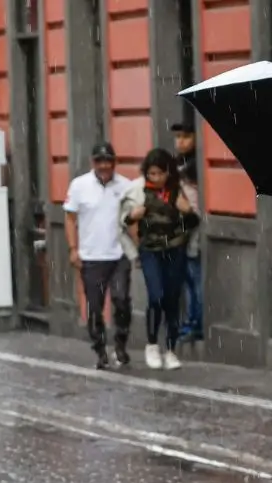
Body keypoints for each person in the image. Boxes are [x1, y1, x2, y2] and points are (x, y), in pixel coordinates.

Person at [122, 148, 196, 370]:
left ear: (168, 172)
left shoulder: (178, 190)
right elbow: (124, 220)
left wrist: (187, 212)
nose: (156, 178)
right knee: (156, 296)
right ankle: (152, 345)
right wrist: (132, 217)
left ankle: (171, 350)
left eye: (160, 174)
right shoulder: (138, 189)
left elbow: (193, 223)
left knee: (172, 299)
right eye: (151, 174)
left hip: (174, 249)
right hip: (150, 251)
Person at [65, 143, 134, 369]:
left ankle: (121, 344)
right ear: (92, 162)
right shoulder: (79, 185)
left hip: (119, 254)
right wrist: (73, 249)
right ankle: (100, 350)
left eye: (108, 161)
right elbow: (70, 218)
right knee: (95, 307)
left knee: (122, 300)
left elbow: (134, 219)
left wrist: (138, 248)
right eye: (99, 161)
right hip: (91, 256)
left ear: (115, 162)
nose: (104, 166)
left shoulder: (126, 186)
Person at [172, 121, 204, 341]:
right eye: (178, 137)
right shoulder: (179, 163)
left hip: (195, 226)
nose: (180, 142)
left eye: (186, 137)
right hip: (183, 227)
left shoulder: (195, 166)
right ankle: (191, 321)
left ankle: (196, 323)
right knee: (188, 278)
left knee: (194, 278)